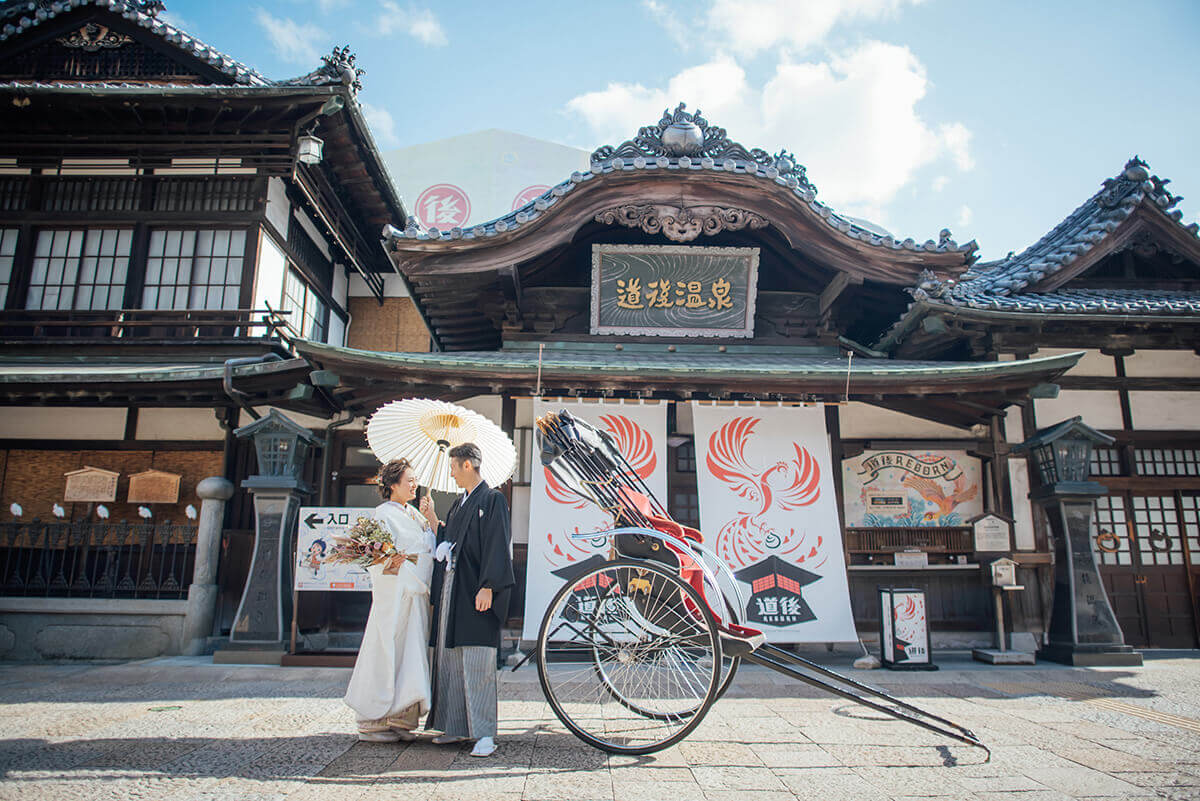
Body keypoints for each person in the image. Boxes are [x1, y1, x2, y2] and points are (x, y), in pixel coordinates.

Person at [420, 442, 514, 758]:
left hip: (476, 588)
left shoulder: (493, 499)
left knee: (477, 659)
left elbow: (497, 543)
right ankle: (455, 726)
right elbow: (450, 538)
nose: (451, 473)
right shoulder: (459, 504)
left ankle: (485, 733)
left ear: (468, 465)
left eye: (453, 466)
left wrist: (489, 586)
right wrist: (433, 519)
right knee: (449, 657)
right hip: (452, 588)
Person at [343, 458, 436, 742]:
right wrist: (398, 563)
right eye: (409, 479)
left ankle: (401, 717)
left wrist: (431, 518)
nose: (414, 484)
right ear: (392, 484)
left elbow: (429, 546)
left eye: (415, 479)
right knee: (389, 649)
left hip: (416, 594)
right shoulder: (383, 514)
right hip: (395, 594)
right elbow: (378, 559)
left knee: (411, 653)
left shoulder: (415, 514)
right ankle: (374, 719)